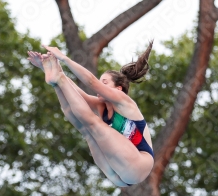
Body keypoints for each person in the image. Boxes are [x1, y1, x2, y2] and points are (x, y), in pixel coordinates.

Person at [27, 42, 154, 186]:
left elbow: (91, 82)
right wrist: (50, 68)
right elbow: (75, 95)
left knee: (93, 123)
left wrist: (64, 58)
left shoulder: (124, 102)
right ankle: (56, 82)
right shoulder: (101, 106)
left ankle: (58, 79)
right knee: (83, 126)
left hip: (138, 165)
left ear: (118, 89)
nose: (100, 86)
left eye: (104, 83)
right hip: (117, 176)